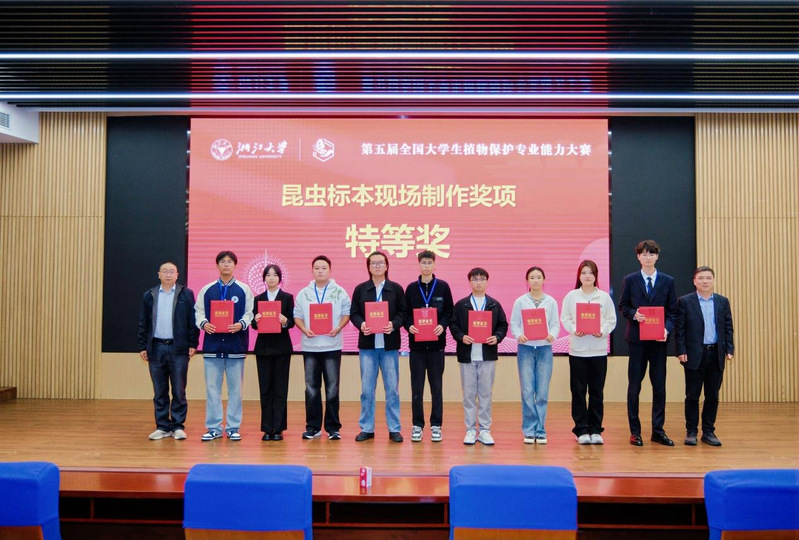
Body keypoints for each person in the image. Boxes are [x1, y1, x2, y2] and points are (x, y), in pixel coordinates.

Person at [618, 240, 677, 446]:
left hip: (659, 341)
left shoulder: (668, 281)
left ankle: (658, 431)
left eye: (651, 254)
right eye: (644, 254)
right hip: (637, 341)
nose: (648, 257)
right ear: (638, 257)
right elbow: (623, 306)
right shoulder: (630, 280)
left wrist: (666, 329)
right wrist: (634, 315)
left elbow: (672, 312)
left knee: (659, 386)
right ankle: (635, 432)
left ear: (657, 256)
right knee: (634, 386)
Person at [194, 251, 254, 442]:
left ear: (235, 265)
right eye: (222, 261)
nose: (226, 265)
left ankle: (233, 427)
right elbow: (198, 311)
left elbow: (250, 313)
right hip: (212, 347)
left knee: (236, 390)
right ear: (217, 265)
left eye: (229, 262)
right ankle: (214, 427)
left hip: (236, 346)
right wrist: (204, 323)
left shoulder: (244, 289)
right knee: (212, 389)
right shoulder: (207, 289)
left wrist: (241, 324)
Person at [137, 262, 199, 440]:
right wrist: (143, 345)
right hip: (156, 347)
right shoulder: (149, 295)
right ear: (159, 274)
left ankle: (178, 426)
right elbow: (143, 322)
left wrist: (193, 343)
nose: (168, 274)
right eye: (165, 271)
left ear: (177, 275)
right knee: (160, 390)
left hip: (178, 348)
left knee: (179, 390)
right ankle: (163, 426)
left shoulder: (186, 294)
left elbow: (192, 321)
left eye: (172, 271)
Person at [350, 251, 408, 443]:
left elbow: (403, 313)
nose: (377, 266)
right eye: (373, 263)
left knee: (392, 390)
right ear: (368, 267)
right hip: (368, 346)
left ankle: (394, 428)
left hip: (389, 346)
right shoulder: (361, 289)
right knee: (367, 390)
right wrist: (361, 324)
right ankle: (367, 428)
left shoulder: (396, 289)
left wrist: (394, 324)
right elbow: (354, 313)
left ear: (387, 266)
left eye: (380, 263)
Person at [293, 255, 351, 440]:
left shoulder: (340, 292)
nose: (320, 271)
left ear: (330, 270)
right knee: (311, 388)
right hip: (310, 347)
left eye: (324, 268)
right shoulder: (304, 293)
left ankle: (333, 427)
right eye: (317, 268)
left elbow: (346, 314)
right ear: (312, 271)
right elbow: (297, 316)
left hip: (332, 346)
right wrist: (304, 329)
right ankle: (313, 427)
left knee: (332, 388)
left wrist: (338, 327)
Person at [675, 266, 734, 447]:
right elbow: (680, 329)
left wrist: (729, 349)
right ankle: (691, 431)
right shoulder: (685, 301)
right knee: (692, 395)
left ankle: (708, 432)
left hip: (716, 354)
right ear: (695, 281)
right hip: (693, 355)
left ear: (713, 280)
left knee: (712, 396)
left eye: (708, 278)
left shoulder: (722, 301)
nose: (705, 281)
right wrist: (681, 350)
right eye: (701, 278)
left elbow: (728, 327)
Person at [449, 268, 508, 446]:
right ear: (470, 282)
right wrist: (461, 336)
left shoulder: (494, 304)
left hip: (487, 356)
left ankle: (484, 430)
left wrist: (497, 337)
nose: (479, 282)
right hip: (467, 356)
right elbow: (453, 325)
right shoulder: (461, 305)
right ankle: (470, 430)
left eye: (482, 279)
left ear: (487, 282)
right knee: (468, 395)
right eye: (475, 279)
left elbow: (503, 325)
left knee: (485, 394)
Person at [561, 260, 617, 445]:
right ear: (579, 275)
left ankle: (595, 429)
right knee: (578, 392)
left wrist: (602, 330)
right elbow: (565, 318)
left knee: (596, 392)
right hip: (577, 351)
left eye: (591, 273)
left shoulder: (604, 297)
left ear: (595, 276)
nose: (587, 276)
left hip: (598, 351)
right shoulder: (571, 296)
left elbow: (611, 320)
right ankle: (580, 430)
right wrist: (574, 328)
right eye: (584, 272)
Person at [404, 250, 454, 443]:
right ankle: (417, 425)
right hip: (416, 346)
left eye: (429, 262)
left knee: (436, 387)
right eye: (423, 262)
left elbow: (449, 311)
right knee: (416, 387)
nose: (426, 266)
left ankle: (436, 425)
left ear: (434, 264)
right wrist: (409, 325)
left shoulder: (443, 286)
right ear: (419, 264)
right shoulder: (411, 288)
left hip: (436, 346)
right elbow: (405, 313)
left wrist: (442, 325)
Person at [510, 266, 560, 445]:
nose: (536, 280)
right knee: (527, 391)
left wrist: (552, 335)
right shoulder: (520, 301)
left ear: (544, 280)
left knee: (542, 392)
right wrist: (518, 335)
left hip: (545, 349)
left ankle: (541, 430)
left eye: (539, 277)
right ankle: (529, 430)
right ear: (527, 281)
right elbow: (514, 323)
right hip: (526, 349)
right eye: (532, 277)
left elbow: (555, 324)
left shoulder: (551, 302)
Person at [250, 264, 295, 442]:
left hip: (282, 348)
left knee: (281, 389)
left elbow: (292, 321)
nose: (271, 278)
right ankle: (267, 428)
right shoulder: (258, 299)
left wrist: (285, 322)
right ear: (264, 279)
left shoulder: (287, 297)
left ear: (280, 278)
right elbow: (254, 324)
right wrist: (256, 321)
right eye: (268, 275)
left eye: (275, 275)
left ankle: (279, 428)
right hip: (263, 349)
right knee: (265, 389)